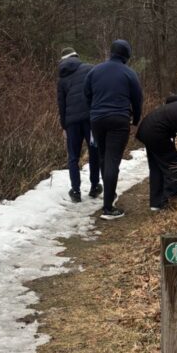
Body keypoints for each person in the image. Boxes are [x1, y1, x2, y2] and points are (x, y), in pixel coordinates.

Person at [84, 39, 143, 220]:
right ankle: (108, 207)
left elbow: (86, 93)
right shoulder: (129, 73)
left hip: (97, 119)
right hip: (119, 120)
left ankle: (109, 194)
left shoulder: (94, 71)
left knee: (103, 156)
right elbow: (137, 98)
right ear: (126, 55)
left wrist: (93, 112)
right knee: (112, 160)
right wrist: (136, 119)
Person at [56, 47, 102, 203]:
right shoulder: (90, 69)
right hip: (90, 120)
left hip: (72, 123)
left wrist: (64, 126)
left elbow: (61, 105)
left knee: (73, 156)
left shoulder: (61, 79)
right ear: (76, 56)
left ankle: (75, 191)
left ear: (62, 60)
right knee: (94, 152)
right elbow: (97, 93)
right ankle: (95, 186)